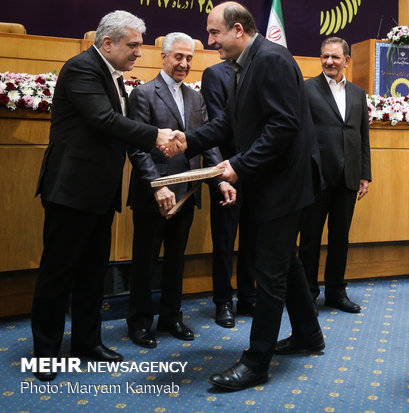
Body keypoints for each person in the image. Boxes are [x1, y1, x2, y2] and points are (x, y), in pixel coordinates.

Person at [168, 2, 324, 391]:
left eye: (214, 33)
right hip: (269, 183)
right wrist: (188, 140)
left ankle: (256, 363)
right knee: (284, 263)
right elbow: (229, 122)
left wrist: (240, 164)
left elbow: (283, 126)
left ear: (238, 29)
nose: (210, 41)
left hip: (282, 188)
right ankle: (308, 335)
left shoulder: (272, 59)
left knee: (268, 274)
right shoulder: (245, 64)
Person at [32, 10, 182, 381]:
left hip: (98, 193)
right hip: (70, 191)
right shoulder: (81, 68)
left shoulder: (113, 76)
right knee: (58, 273)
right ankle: (46, 353)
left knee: (92, 273)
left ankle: (87, 342)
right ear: (107, 42)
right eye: (133, 45)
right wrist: (155, 135)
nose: (138, 53)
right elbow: (103, 120)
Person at [125, 32, 225, 348]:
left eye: (189, 58)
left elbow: (208, 143)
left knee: (176, 261)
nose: (184, 63)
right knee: (145, 261)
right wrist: (158, 186)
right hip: (154, 195)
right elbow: (138, 149)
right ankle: (140, 323)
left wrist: (220, 177)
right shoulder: (142, 94)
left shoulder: (197, 99)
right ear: (164, 57)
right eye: (178, 57)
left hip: (186, 194)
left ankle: (171, 318)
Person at [299, 37, 371, 314]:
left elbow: (362, 135)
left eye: (335, 57)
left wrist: (365, 173)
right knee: (310, 240)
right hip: (315, 178)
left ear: (347, 61)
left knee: (340, 238)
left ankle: (335, 292)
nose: (329, 61)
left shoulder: (357, 93)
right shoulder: (306, 89)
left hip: (348, 178)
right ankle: (307, 294)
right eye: (325, 56)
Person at [201, 61, 256, 328]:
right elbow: (214, 124)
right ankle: (223, 301)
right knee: (224, 238)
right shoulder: (215, 73)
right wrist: (222, 173)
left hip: (256, 168)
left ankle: (248, 296)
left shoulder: (259, 68)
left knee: (252, 238)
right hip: (226, 169)